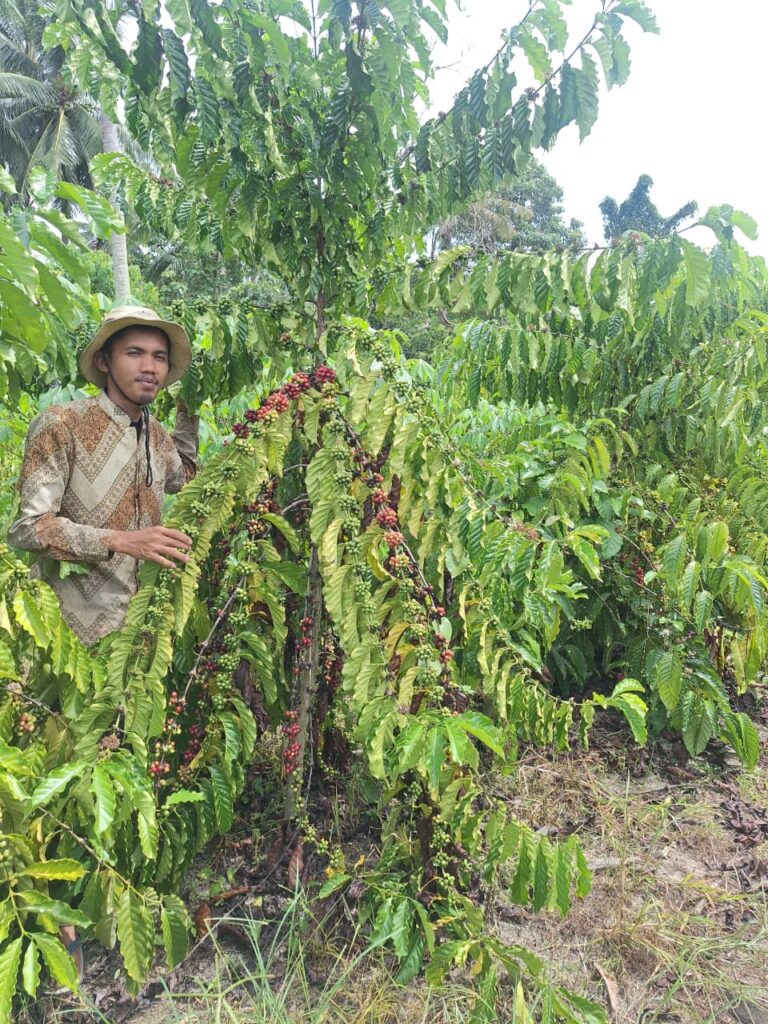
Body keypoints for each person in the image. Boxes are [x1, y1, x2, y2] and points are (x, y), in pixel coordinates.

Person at [9, 305, 199, 644]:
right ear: (104, 361)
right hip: (69, 637)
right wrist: (118, 540)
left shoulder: (154, 433)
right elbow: (29, 528)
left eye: (159, 357)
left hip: (140, 636)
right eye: (134, 353)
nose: (149, 367)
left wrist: (190, 410)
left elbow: (183, 478)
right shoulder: (62, 424)